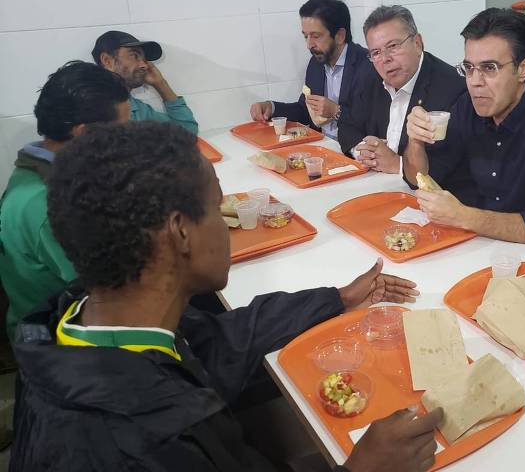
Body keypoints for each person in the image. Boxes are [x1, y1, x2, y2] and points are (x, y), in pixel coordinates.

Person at [11, 120, 442, 472]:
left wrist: (337, 299)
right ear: (181, 233)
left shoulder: (90, 319)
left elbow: (224, 338)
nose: (226, 227)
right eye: (217, 209)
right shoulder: (142, 446)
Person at [403, 8, 525, 247]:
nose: (475, 82)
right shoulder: (466, 107)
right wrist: (415, 142)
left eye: (489, 68)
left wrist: (464, 217)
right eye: (469, 68)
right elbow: (420, 178)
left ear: (523, 68)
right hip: (473, 244)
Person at [0, 61, 130, 337]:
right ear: (84, 133)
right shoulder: (49, 204)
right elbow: (112, 291)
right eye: (122, 130)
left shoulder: (39, 167)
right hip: (57, 340)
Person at [338, 5, 466, 174]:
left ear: (418, 44)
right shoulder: (369, 75)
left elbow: (452, 165)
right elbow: (347, 122)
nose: (385, 59)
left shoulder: (451, 88)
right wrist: (362, 150)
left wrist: (397, 164)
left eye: (393, 46)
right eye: (376, 52)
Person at [249, 0, 373, 141]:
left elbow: (375, 121)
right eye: (306, 36)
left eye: (315, 36)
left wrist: (336, 111)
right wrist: (271, 107)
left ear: (339, 35)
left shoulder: (368, 64)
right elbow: (305, 111)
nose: (309, 45)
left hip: (355, 152)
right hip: (320, 146)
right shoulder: (316, 63)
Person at [92, 30, 199, 134]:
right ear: (107, 61)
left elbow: (187, 132)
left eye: (144, 59)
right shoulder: (89, 105)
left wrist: (161, 84)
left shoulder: (136, 108)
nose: (145, 65)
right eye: (134, 56)